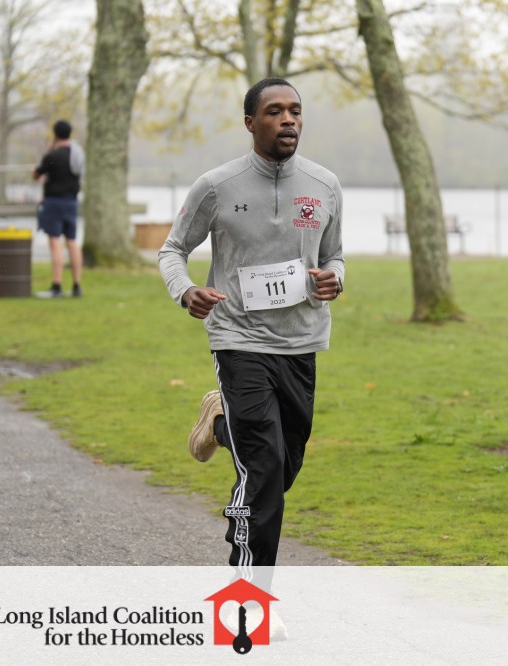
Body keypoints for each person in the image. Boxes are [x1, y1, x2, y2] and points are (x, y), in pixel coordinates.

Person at [158, 77, 344, 570]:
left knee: (283, 467)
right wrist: (186, 290)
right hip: (238, 337)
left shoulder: (325, 185)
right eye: (274, 111)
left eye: (295, 111)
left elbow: (335, 256)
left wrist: (335, 279)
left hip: (301, 340)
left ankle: (222, 423)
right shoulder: (216, 186)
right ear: (250, 123)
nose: (288, 120)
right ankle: (251, 590)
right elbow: (173, 249)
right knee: (263, 470)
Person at [33, 119, 85, 298]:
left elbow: (36, 174)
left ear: (55, 134)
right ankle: (77, 285)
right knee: (72, 241)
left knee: (55, 242)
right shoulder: (77, 155)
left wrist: (49, 151)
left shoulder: (52, 156)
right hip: (72, 202)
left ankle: (57, 286)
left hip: (54, 202)